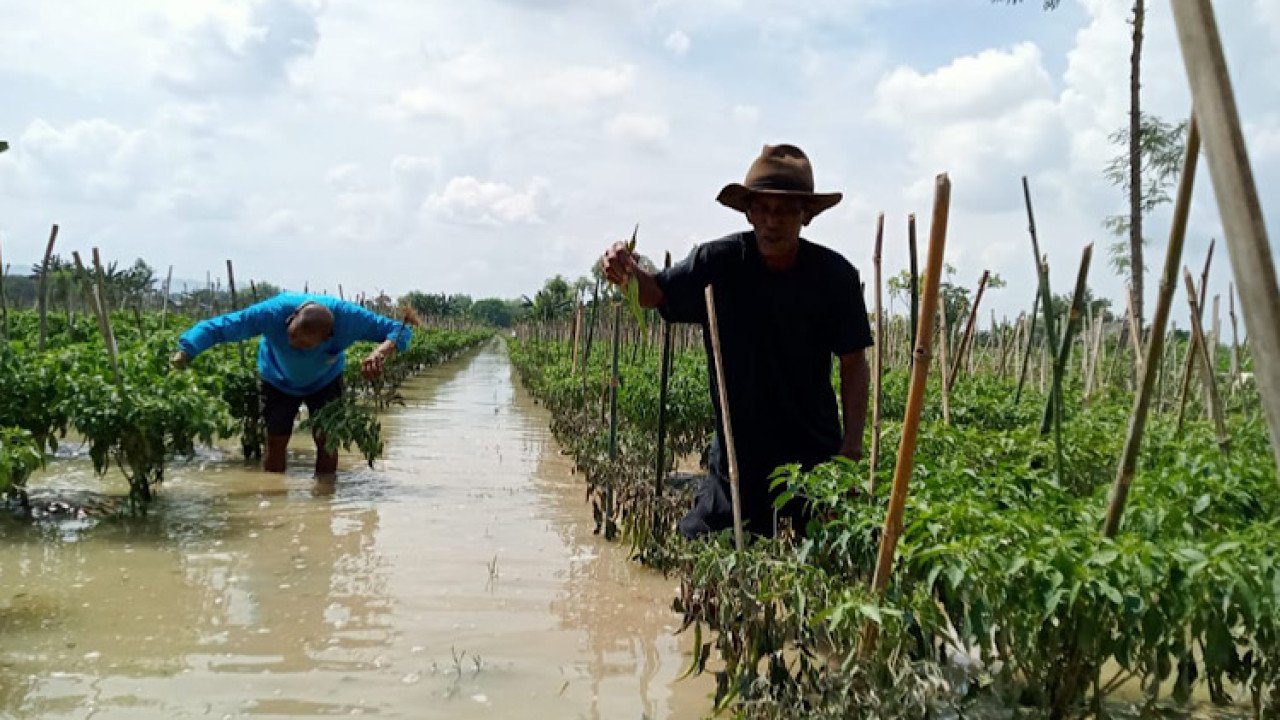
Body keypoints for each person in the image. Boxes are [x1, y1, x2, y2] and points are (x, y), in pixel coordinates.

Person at [602, 144, 872, 539]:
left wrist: (850, 454)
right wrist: (626, 270)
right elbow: (654, 293)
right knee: (698, 545)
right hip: (737, 456)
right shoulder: (718, 262)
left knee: (815, 556)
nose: (771, 221)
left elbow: (854, 363)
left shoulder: (835, 278)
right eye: (761, 208)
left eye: (784, 211)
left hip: (812, 459)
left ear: (806, 215)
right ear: (748, 212)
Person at [171, 292, 412, 475]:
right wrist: (187, 349)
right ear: (289, 319)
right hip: (277, 378)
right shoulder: (271, 313)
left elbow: (400, 330)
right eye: (291, 337)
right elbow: (221, 327)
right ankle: (273, 497)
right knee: (276, 439)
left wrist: (378, 354)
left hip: (325, 380)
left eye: (304, 345)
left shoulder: (351, 320)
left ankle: (325, 501)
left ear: (329, 337)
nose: (294, 346)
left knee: (326, 440)